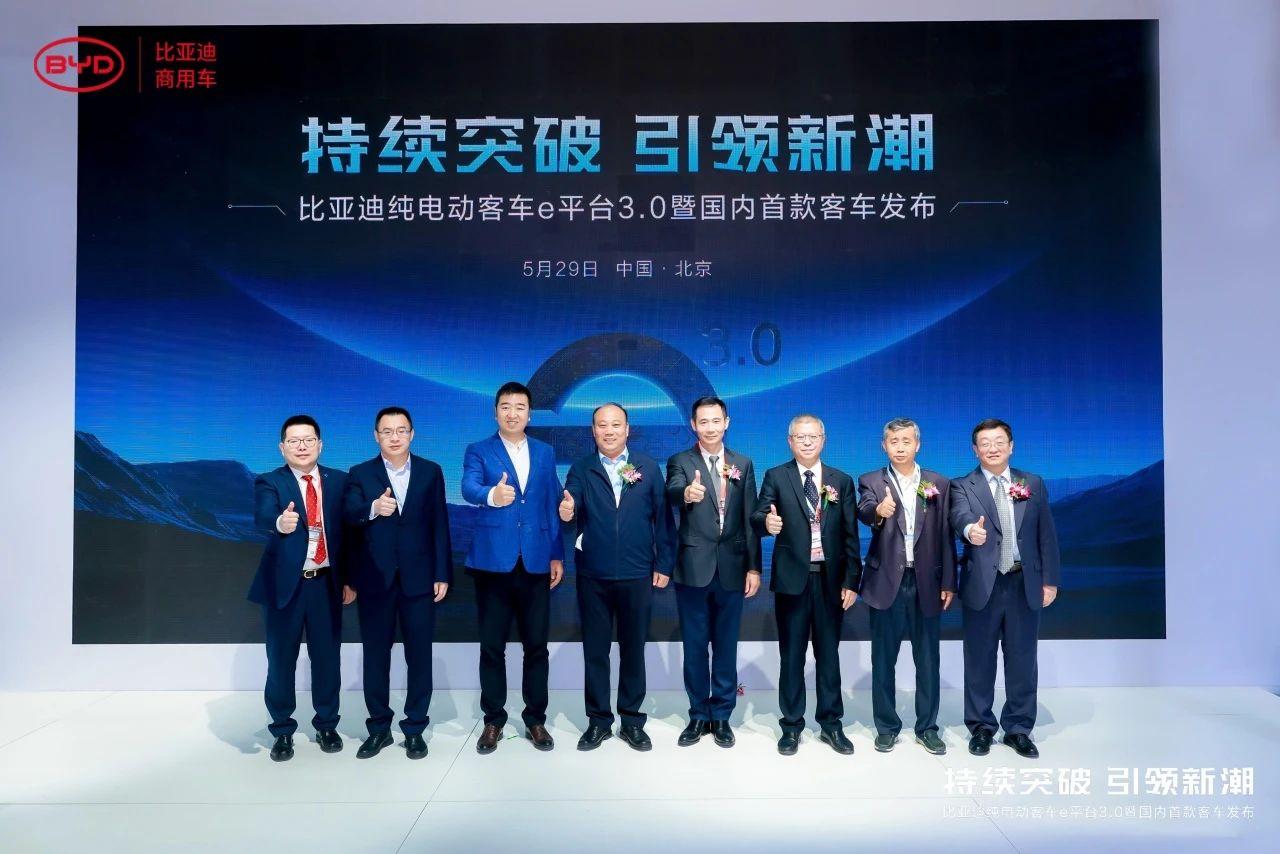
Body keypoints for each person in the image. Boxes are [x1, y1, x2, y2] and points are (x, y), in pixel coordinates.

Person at [560, 403, 676, 752]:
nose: (608, 431)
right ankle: (598, 721)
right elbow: (571, 500)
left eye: (615, 425)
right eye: (601, 425)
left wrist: (664, 564)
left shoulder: (646, 467)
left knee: (633, 649)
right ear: (593, 430)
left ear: (627, 429)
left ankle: (631, 721)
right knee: (595, 651)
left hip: (637, 572)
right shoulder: (582, 468)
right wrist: (567, 509)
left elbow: (663, 519)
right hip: (593, 574)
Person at [460, 382, 565, 753]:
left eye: (520, 407)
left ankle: (535, 719)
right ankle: (493, 720)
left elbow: (551, 502)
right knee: (492, 647)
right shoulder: (479, 450)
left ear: (529, 414)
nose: (513, 413)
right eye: (505, 406)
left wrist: (556, 554)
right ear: (495, 412)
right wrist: (492, 494)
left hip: (535, 561)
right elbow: (468, 487)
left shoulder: (545, 452)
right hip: (493, 563)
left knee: (536, 647)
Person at [343, 406, 451, 760]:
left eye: (401, 430)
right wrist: (374, 508)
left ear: (412, 434)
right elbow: (349, 517)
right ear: (376, 436)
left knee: (419, 655)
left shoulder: (431, 471)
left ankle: (415, 728)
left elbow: (439, 524)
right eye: (387, 431)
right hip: (375, 579)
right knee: (376, 656)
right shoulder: (360, 473)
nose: (394, 437)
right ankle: (379, 728)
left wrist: (442, 573)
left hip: (420, 578)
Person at [950, 418, 1061, 759]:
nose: (993, 448)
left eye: (999, 442)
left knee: (1023, 658)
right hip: (982, 583)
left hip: (1023, 581)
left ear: (1011, 446)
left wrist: (1049, 580)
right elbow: (959, 516)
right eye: (985, 443)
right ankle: (981, 727)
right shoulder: (962, 485)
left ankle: (1018, 728)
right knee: (979, 659)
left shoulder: (1032, 483)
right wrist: (970, 531)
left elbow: (1045, 534)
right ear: (975, 450)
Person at [248, 415, 355, 762]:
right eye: (294, 441)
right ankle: (282, 730)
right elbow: (264, 515)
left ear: (320, 445)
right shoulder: (270, 481)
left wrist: (350, 579)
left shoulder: (340, 481)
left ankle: (327, 724)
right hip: (285, 587)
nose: (302, 446)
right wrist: (281, 522)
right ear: (282, 448)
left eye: (308, 440)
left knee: (327, 659)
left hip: (326, 583)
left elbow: (350, 534)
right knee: (281, 661)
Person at [751, 414, 860, 756]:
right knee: (792, 656)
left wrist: (851, 581)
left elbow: (850, 535)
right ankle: (791, 725)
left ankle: (831, 724)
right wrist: (766, 523)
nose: (807, 442)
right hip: (792, 581)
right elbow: (757, 516)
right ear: (790, 441)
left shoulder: (841, 481)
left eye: (813, 436)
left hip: (830, 581)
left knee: (828, 656)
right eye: (800, 437)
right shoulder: (776, 476)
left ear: (823, 439)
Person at [665, 396, 761, 748]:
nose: (709, 427)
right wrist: (687, 493)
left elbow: (751, 518)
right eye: (703, 421)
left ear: (726, 422)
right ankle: (697, 715)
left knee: (725, 646)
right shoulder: (681, 461)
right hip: (693, 567)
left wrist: (754, 566)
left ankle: (721, 716)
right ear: (693, 424)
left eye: (715, 421)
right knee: (694, 647)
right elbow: (673, 491)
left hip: (732, 567)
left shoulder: (743, 463)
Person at [855, 418, 955, 755]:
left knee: (928, 661)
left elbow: (945, 536)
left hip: (927, 582)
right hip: (886, 582)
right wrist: (879, 511)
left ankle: (927, 728)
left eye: (906, 441)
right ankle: (886, 727)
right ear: (884, 446)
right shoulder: (871, 480)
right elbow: (865, 510)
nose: (900, 447)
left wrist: (949, 581)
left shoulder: (938, 483)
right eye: (893, 441)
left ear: (918, 445)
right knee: (883, 660)